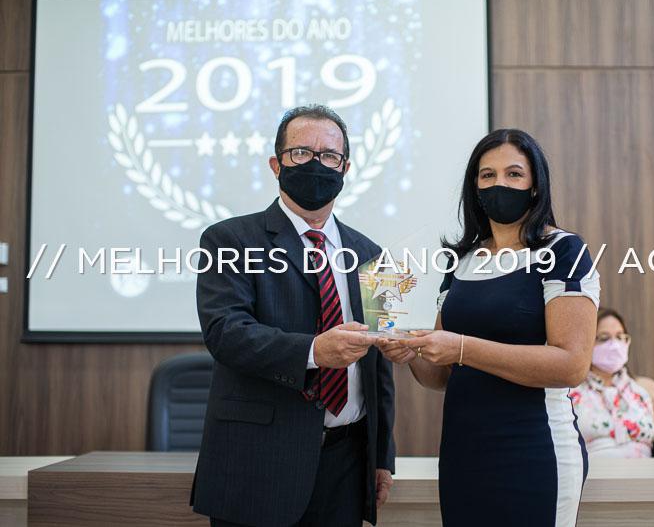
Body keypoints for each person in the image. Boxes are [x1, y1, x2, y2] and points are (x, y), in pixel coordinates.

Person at [378, 129, 599, 526]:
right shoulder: (461, 261)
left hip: (534, 450)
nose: (500, 184)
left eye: (514, 174)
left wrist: (463, 347)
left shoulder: (563, 250)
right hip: (463, 453)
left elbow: (571, 365)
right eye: (488, 175)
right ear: (475, 187)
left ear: (535, 185)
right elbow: (440, 376)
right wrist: (411, 353)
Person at [191, 104, 396, 527]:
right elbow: (225, 332)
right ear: (276, 164)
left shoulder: (373, 256)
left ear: (345, 168)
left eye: (329, 156)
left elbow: (378, 367)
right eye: (301, 153)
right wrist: (314, 351)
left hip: (347, 465)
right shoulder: (229, 239)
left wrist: (382, 456)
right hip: (258, 464)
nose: (316, 165)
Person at [569, 307, 654, 458]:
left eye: (620, 337)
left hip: (645, 472)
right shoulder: (570, 392)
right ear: (586, 343)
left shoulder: (646, 388)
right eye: (604, 338)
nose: (614, 345)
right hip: (591, 472)